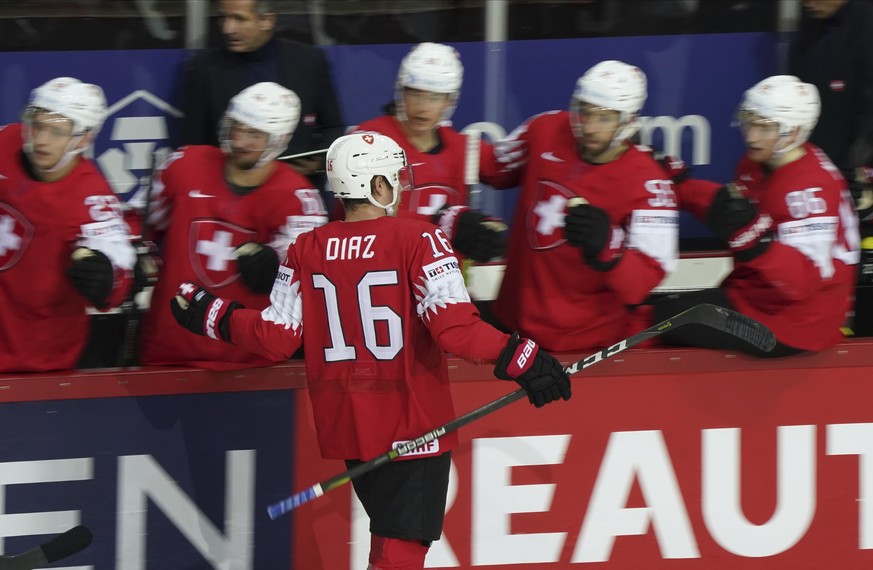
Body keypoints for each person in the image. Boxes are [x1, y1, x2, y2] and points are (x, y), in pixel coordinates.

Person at [169, 132, 571, 569]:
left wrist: (213, 314)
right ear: (377, 186)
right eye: (395, 177)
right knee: (402, 550)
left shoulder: (306, 248)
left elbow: (275, 337)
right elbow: (455, 331)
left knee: (389, 542)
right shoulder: (421, 239)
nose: (401, 185)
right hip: (413, 423)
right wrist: (523, 356)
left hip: (349, 427)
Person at [656, 75, 859, 356]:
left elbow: (802, 283)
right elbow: (731, 208)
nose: (751, 135)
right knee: (663, 309)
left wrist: (758, 242)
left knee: (660, 322)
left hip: (796, 325)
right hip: (758, 298)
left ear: (795, 131)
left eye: (765, 128)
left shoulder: (810, 191)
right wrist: (677, 187)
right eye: (749, 121)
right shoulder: (758, 161)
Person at [488, 60, 680, 352]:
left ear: (628, 121)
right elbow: (491, 166)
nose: (589, 126)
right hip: (510, 327)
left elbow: (642, 283)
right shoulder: (545, 129)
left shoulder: (651, 186)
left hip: (584, 343)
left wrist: (609, 247)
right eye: (584, 111)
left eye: (604, 118)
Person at [140, 81, 328, 369]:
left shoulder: (301, 202)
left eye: (255, 134)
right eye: (237, 127)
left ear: (280, 139)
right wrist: (134, 261)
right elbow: (141, 229)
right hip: (166, 352)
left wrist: (274, 266)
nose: (240, 141)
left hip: (246, 366)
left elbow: (306, 281)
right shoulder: (183, 164)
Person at [0, 76, 136, 372]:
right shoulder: (5, 142)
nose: (41, 139)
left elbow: (118, 269)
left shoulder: (93, 200)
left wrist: (104, 278)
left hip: (36, 359)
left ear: (84, 138)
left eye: (57, 131)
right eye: (37, 125)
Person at [352, 42, 508, 264]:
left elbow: (509, 171)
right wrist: (443, 223)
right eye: (415, 94)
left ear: (449, 101)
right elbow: (359, 215)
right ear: (401, 92)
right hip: (380, 274)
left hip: (438, 283)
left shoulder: (464, 147)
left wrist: (483, 229)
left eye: (434, 98)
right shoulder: (368, 139)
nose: (423, 107)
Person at [181, 0, 345, 201]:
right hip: (228, 200)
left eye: (239, 19)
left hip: (294, 195)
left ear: (267, 20)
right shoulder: (205, 68)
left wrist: (316, 163)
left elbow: (334, 127)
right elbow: (193, 146)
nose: (228, 28)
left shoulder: (308, 61)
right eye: (223, 18)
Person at [789, 0, 873, 199]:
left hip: (855, 167)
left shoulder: (866, 24)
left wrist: (854, 164)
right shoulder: (813, 23)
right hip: (815, 161)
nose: (806, 2)